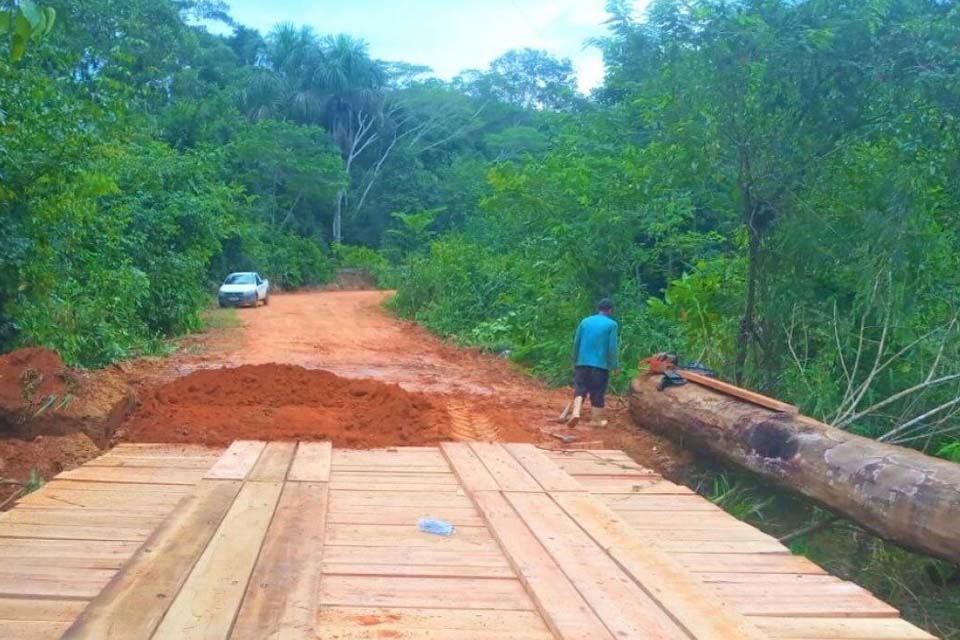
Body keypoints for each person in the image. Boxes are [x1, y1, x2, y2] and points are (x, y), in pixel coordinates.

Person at [560, 298, 620, 428]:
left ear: (598, 309)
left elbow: (577, 342)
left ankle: (575, 413)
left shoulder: (585, 321)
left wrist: (574, 360)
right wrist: (614, 365)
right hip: (600, 366)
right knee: (597, 391)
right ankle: (596, 420)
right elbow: (612, 348)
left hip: (582, 363)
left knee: (580, 388)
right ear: (610, 310)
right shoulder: (612, 325)